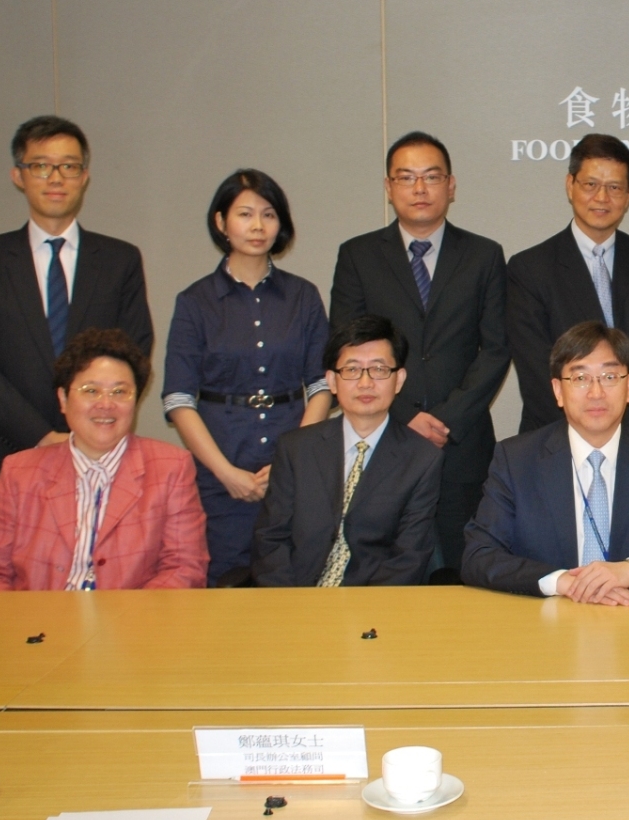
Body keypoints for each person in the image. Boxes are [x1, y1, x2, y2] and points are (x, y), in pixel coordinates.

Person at [0, 115, 153, 515]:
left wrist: (85, 434)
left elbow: (135, 355)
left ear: (84, 176)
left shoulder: (119, 260)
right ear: (18, 175)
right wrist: (42, 437)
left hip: (100, 453)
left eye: (69, 166)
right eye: (41, 165)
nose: (56, 178)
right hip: (9, 449)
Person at [330, 132, 510, 581]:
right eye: (406, 178)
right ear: (388, 188)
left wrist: (445, 420)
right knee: (385, 572)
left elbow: (496, 349)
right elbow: (345, 348)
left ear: (451, 185)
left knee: (464, 571)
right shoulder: (358, 256)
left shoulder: (484, 255)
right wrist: (404, 416)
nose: (420, 188)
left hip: (462, 442)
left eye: (431, 177)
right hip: (385, 438)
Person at [163, 170, 332, 586]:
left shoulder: (303, 296)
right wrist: (225, 472)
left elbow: (321, 385)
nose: (258, 226)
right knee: (226, 585)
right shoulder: (195, 301)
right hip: (221, 469)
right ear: (221, 222)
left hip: (293, 467)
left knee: (297, 579)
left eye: (268, 214)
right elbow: (178, 399)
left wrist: (290, 462)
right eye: (245, 214)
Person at [462, 322, 629, 601]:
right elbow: (479, 555)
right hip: (545, 618)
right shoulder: (516, 460)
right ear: (558, 391)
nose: (596, 392)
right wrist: (562, 582)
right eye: (580, 378)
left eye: (609, 376)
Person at [0, 329, 206, 590]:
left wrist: (131, 615)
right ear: (63, 399)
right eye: (91, 390)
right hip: (38, 614)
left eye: (120, 392)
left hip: (134, 614)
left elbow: (183, 569)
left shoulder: (171, 468)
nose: (106, 404)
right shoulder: (19, 472)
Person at [507, 133, 629, 433]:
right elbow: (536, 369)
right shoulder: (529, 268)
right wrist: (588, 434)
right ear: (570, 185)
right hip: (555, 436)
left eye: (614, 187)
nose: (602, 198)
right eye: (590, 185)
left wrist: (624, 431)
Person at [252, 317, 441, 587]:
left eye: (379, 369)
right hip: (295, 597)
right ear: (332, 380)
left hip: (372, 603)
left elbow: (409, 557)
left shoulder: (422, 459)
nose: (365, 383)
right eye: (352, 370)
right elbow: (270, 540)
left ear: (399, 380)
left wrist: (360, 609)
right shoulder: (295, 449)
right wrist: (291, 603)